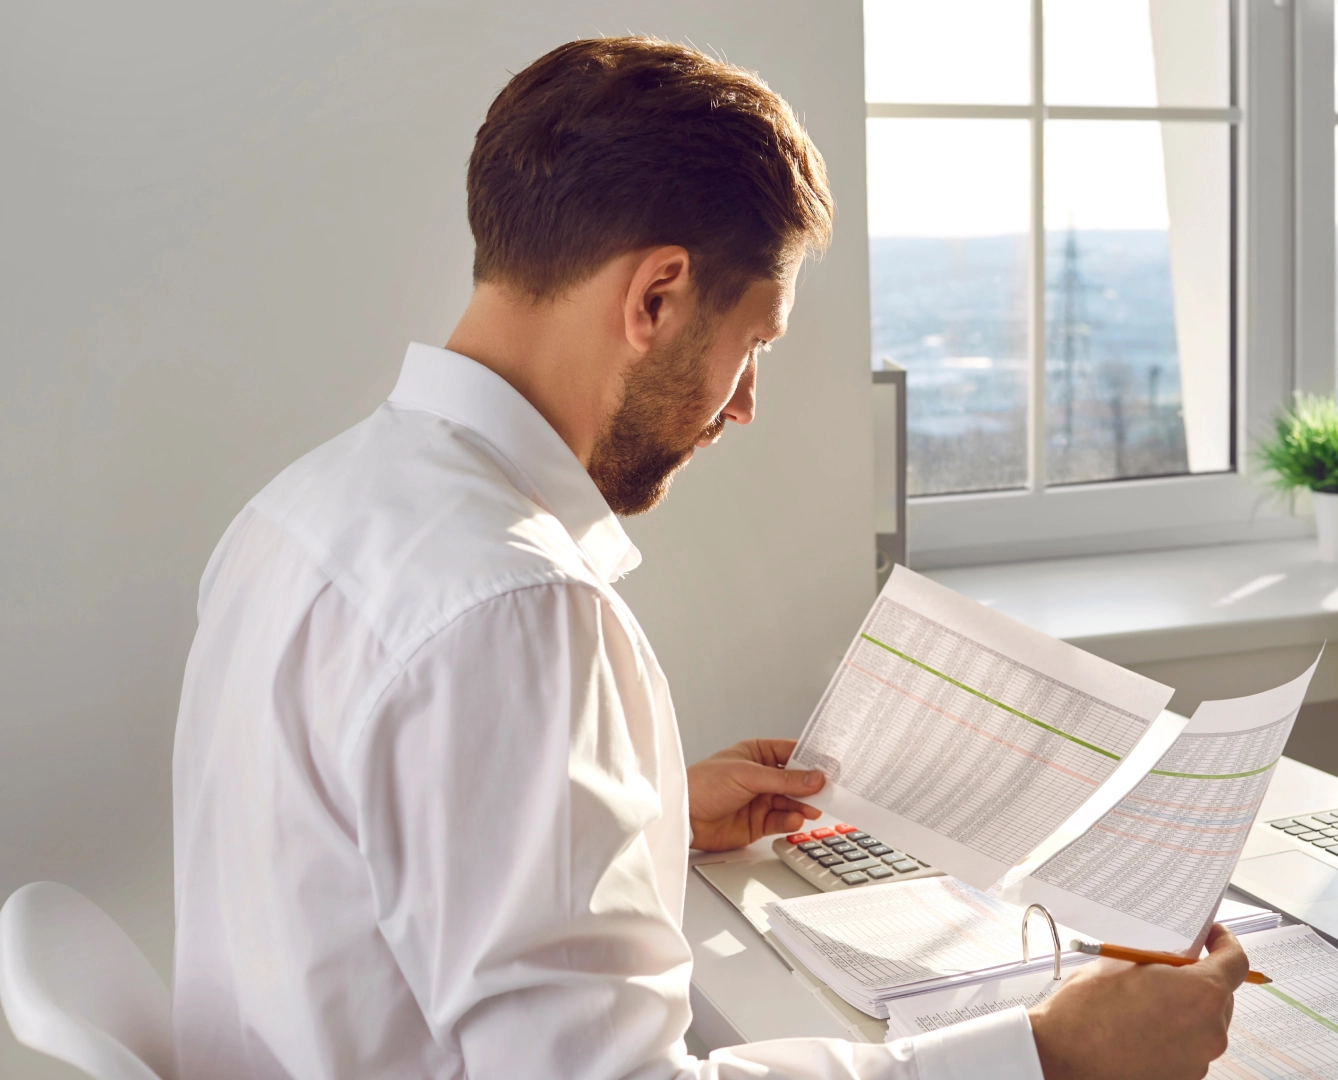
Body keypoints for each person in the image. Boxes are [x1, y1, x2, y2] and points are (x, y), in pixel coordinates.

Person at [172, 36, 1248, 1080]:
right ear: (657, 298)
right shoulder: (515, 607)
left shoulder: (297, 513)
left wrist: (646, 816)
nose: (743, 404)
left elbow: (371, 875)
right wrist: (1045, 1058)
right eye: (754, 342)